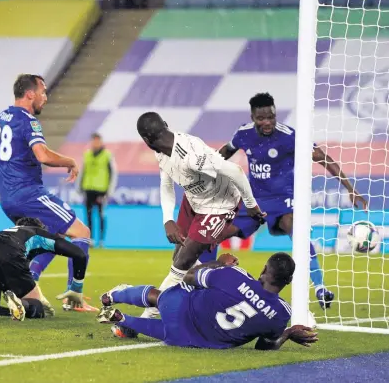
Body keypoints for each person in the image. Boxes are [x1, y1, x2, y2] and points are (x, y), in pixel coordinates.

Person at [216, 92, 368, 309]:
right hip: (254, 200)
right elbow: (225, 151)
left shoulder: (289, 136)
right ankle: (202, 274)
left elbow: (323, 158)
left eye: (271, 117)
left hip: (283, 201)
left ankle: (320, 287)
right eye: (261, 118)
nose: (267, 122)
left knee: (297, 230)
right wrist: (208, 169)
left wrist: (350, 188)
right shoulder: (243, 133)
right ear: (253, 117)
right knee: (216, 234)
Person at [133, 112, 266, 325]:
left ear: (146, 140)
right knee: (179, 257)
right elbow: (166, 184)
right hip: (193, 199)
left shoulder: (191, 155)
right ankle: (219, 273)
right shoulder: (161, 152)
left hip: (218, 204)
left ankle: (147, 319)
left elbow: (236, 171)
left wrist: (251, 205)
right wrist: (168, 219)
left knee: (183, 261)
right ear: (165, 125)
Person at [0, 74, 95, 312]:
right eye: (43, 92)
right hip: (29, 194)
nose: (45, 98)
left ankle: (29, 283)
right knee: (81, 233)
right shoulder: (29, 121)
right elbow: (43, 155)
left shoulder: (0, 117)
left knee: (52, 239)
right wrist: (70, 161)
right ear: (30, 94)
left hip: (8, 198)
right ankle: (74, 296)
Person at [98, 252, 318, 350]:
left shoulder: (235, 275)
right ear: (289, 280)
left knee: (163, 295)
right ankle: (123, 319)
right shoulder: (281, 314)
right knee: (165, 329)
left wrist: (218, 262)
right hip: (193, 340)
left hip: (180, 308)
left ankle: (114, 296)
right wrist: (287, 333)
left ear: (263, 269)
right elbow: (263, 346)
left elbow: (190, 276)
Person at [0, 217, 87, 321]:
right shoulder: (38, 233)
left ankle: (14, 304)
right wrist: (76, 287)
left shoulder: (2, 232)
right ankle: (22, 304)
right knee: (37, 309)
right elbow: (79, 254)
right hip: (10, 252)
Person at [79, 133, 117, 247]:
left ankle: (101, 240)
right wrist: (79, 187)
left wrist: (109, 191)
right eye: (93, 141)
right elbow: (83, 171)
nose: (95, 143)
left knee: (100, 215)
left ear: (101, 142)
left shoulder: (107, 155)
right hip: (88, 189)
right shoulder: (87, 154)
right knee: (88, 215)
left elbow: (113, 173)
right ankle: (90, 240)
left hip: (101, 190)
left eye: (97, 141)